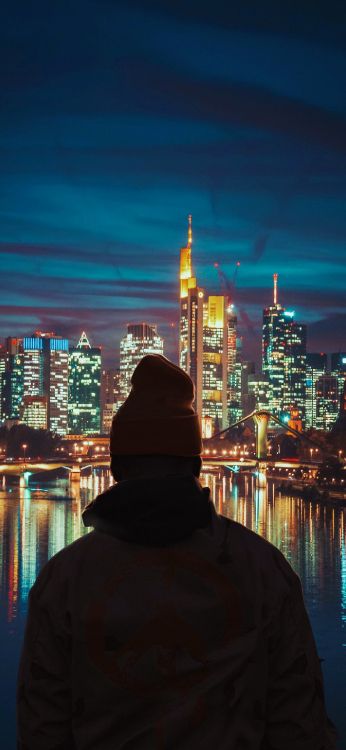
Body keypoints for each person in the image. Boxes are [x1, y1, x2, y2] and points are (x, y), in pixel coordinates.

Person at [17, 354, 338, 749]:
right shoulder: (263, 569)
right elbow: (300, 725)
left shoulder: (63, 580)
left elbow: (40, 728)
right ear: (196, 462)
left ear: (116, 467)